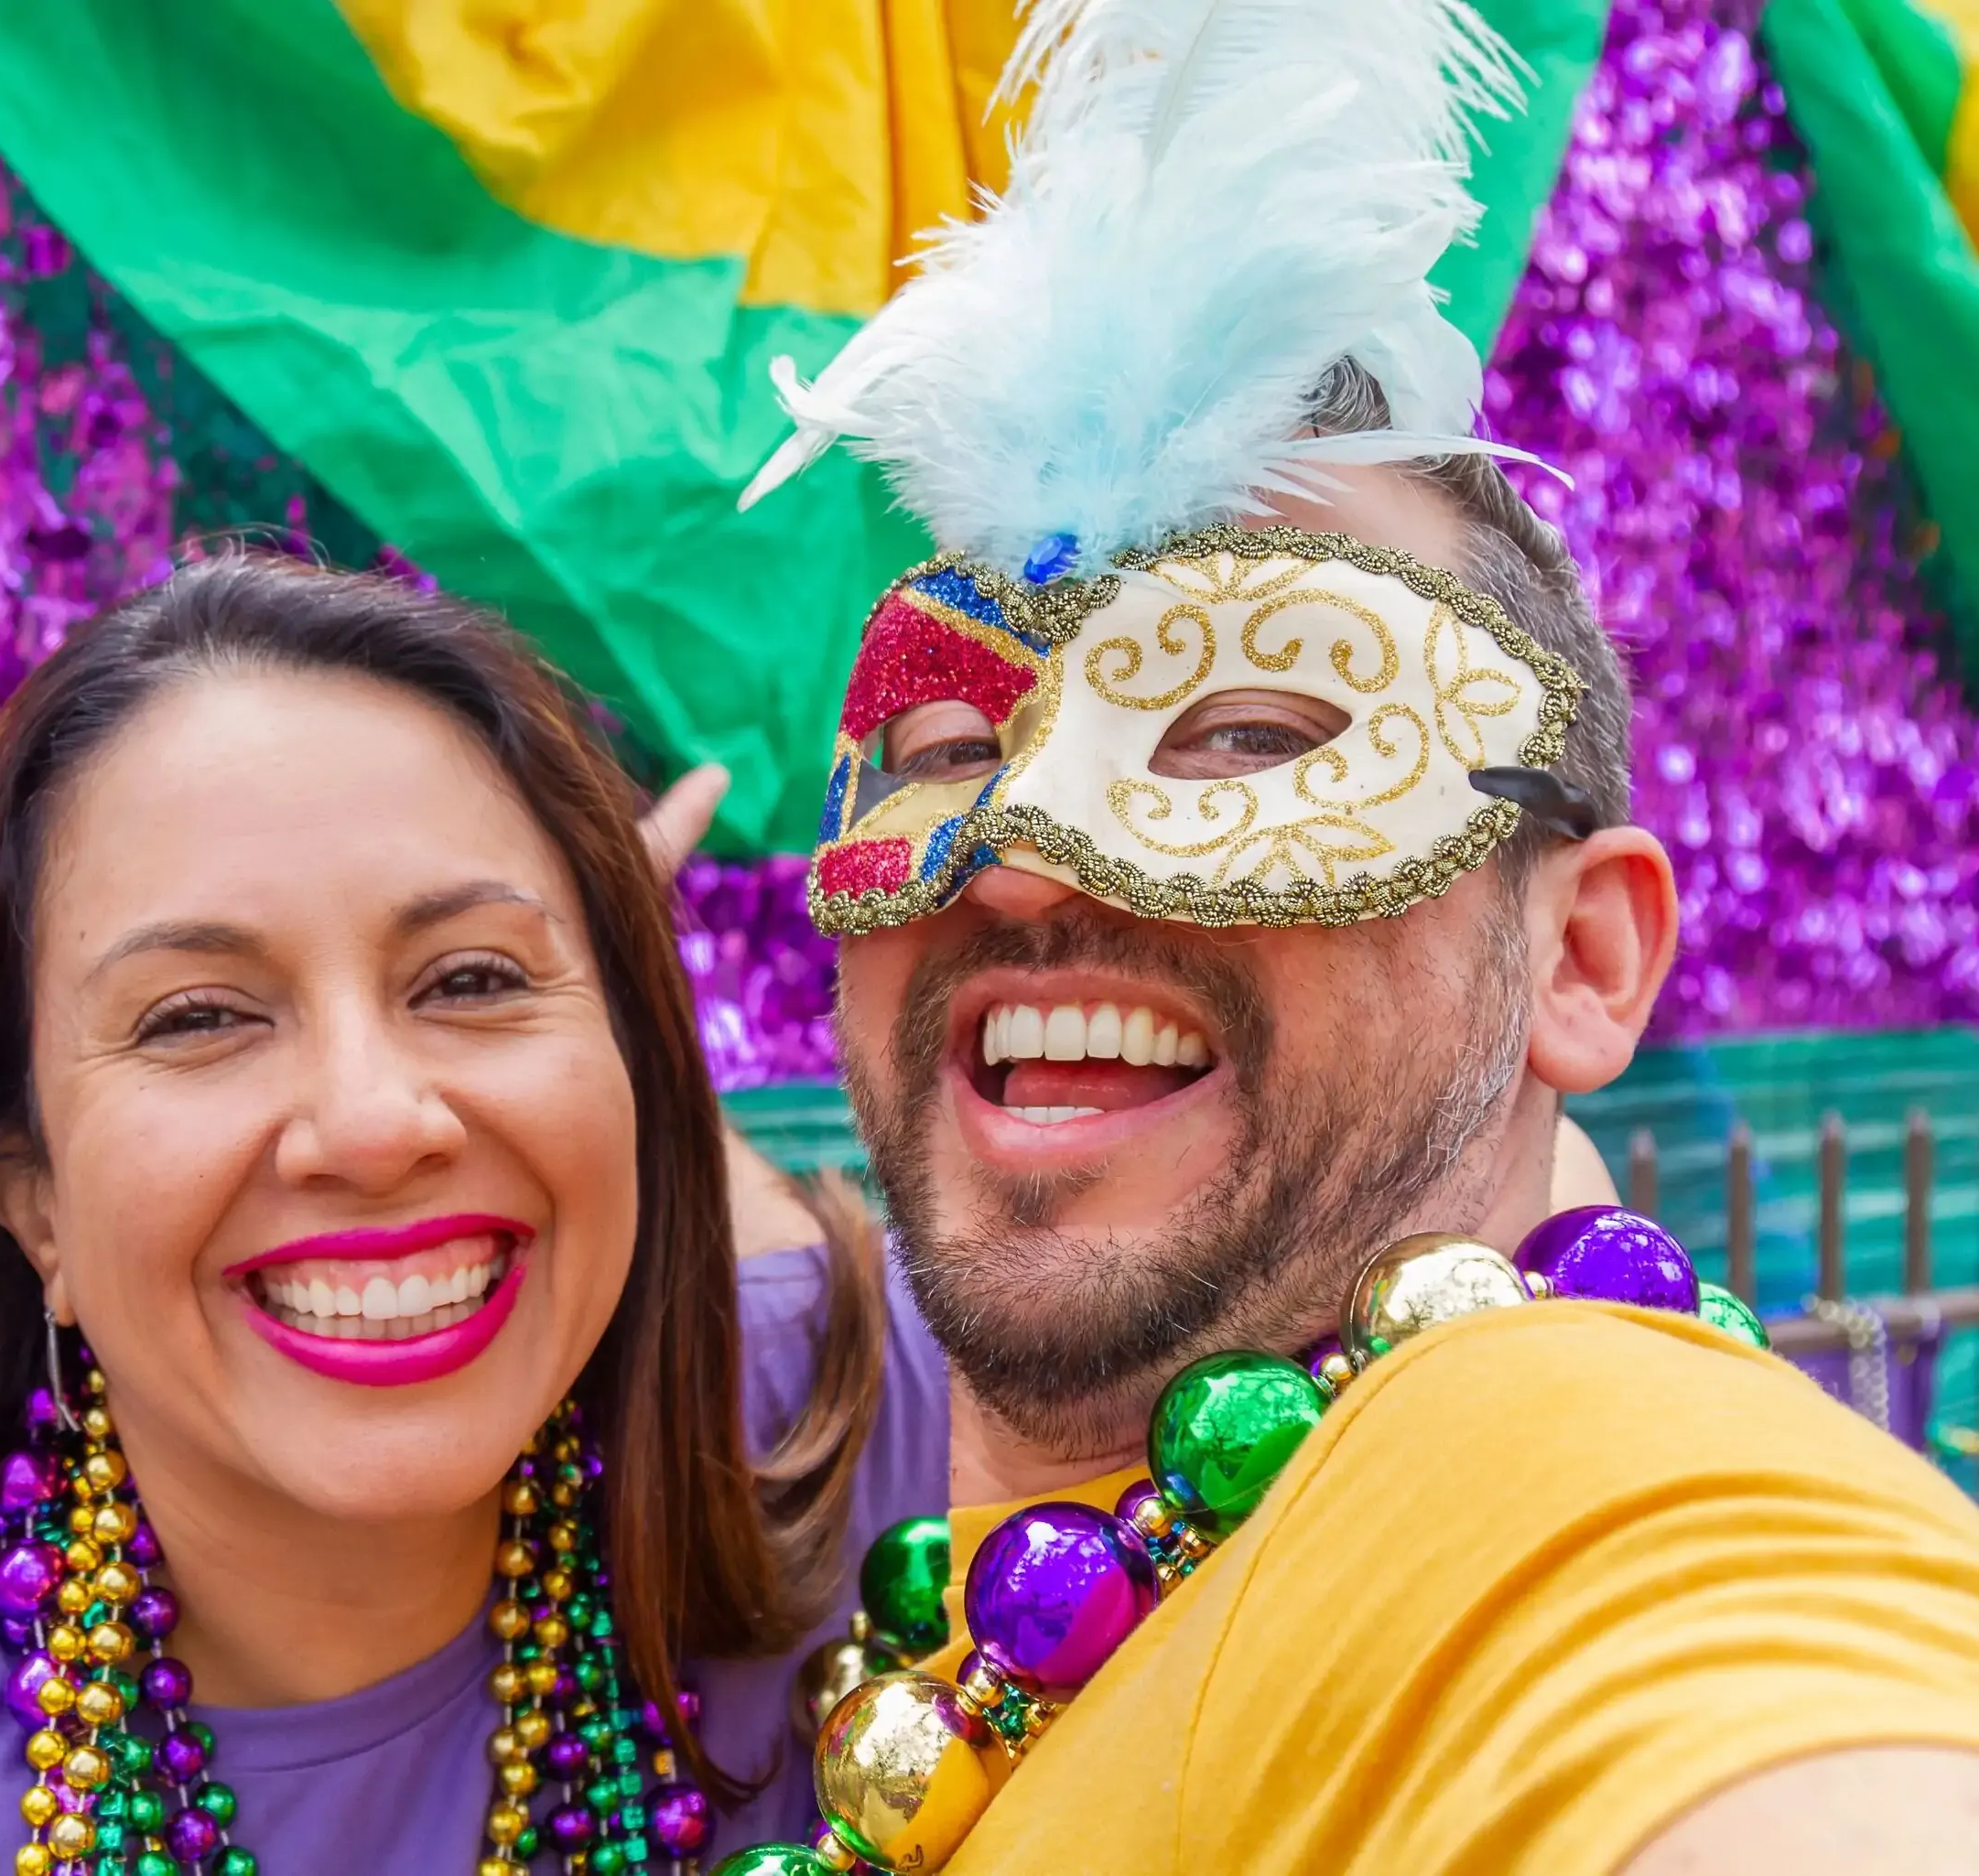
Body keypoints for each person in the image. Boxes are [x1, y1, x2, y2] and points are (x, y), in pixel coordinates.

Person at [711, 0, 1979, 1870]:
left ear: (1584, 960)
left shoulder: (1566, 1477)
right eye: (952, 744)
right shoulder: (985, 1570)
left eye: (1245, 734)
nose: (1024, 857)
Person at [0, 554, 948, 1874]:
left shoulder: (878, 1438)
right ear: (30, 1202)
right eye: (201, 1014)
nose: (372, 1121)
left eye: (467, 980)